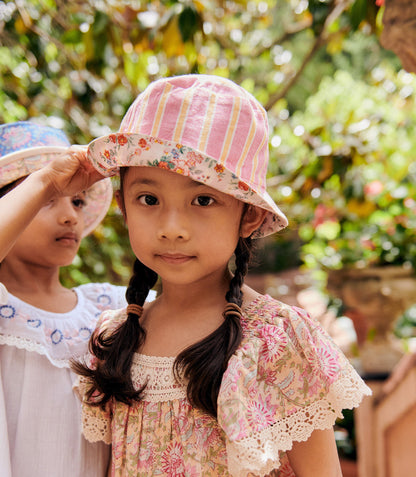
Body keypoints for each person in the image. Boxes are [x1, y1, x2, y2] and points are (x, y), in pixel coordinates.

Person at [74, 75, 371, 477]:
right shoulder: (115, 339)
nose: (172, 227)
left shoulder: (275, 341)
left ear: (247, 214)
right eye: (149, 199)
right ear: (125, 207)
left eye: (203, 199)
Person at [0, 121, 130, 477]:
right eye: (47, 201)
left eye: (77, 200)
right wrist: (44, 181)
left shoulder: (109, 306)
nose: (70, 215)